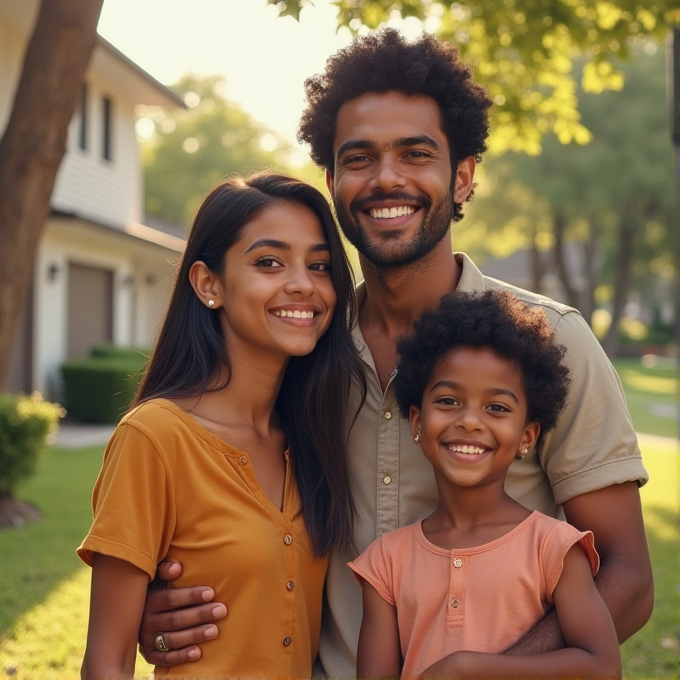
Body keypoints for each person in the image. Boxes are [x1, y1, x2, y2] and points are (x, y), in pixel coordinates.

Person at [137, 30, 653, 677]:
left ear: (461, 176)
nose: (386, 179)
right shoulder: (299, 349)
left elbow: (627, 578)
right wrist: (159, 612)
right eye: (359, 159)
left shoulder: (550, 340)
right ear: (331, 181)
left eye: (415, 154)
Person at [77, 172, 365, 679]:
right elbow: (107, 662)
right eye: (269, 262)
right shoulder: (155, 438)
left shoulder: (315, 436)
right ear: (209, 284)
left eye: (319, 265)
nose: (303, 283)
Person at [350, 289, 622, 679]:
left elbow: (601, 666)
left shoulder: (554, 548)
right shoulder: (385, 563)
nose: (471, 421)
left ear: (527, 437)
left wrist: (468, 668)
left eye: (496, 408)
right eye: (448, 401)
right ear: (416, 421)